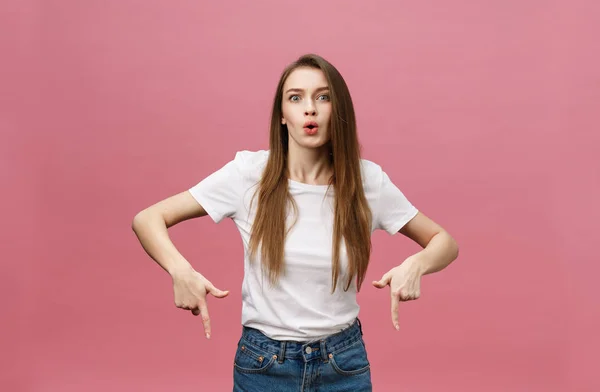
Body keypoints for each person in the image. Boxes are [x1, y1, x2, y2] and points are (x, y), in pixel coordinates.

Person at [131, 53, 459, 391]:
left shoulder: (367, 181)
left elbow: (444, 242)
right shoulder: (249, 175)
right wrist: (180, 270)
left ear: (338, 111)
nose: (310, 108)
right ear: (283, 116)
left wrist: (417, 264)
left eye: (323, 97)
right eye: (296, 97)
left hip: (342, 364)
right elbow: (148, 218)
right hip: (265, 365)